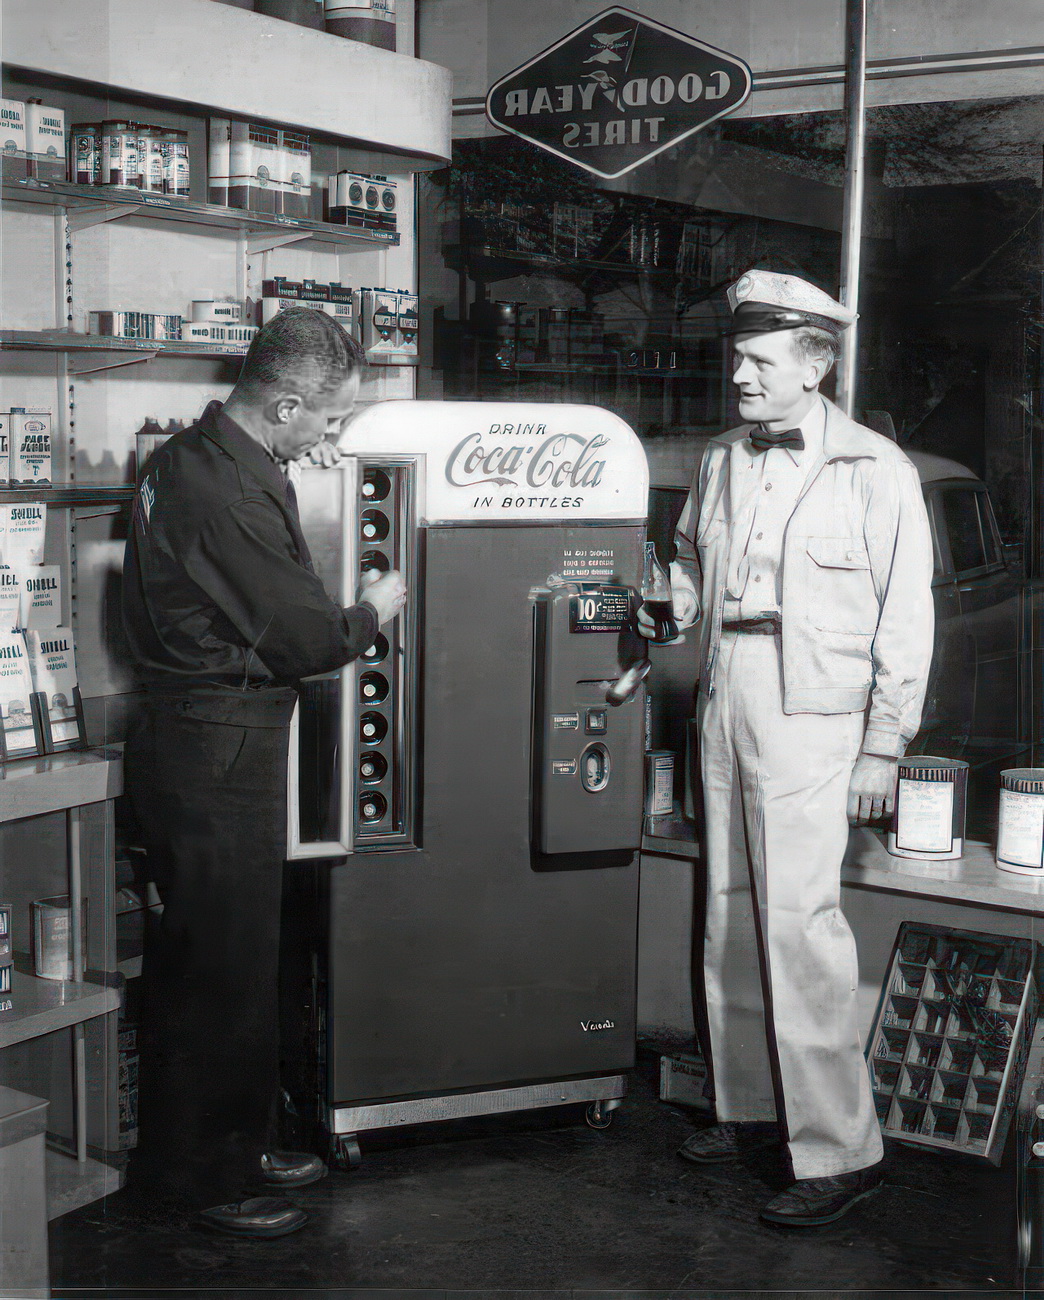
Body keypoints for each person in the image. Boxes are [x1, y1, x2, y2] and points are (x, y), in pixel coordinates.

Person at [641, 269, 934, 1227]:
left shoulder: (876, 469)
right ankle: (749, 1110)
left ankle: (842, 1149)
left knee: (800, 925)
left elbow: (907, 620)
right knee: (727, 909)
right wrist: (676, 600)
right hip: (726, 684)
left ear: (816, 366)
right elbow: (691, 556)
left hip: (815, 709)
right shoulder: (723, 457)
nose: (740, 377)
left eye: (760, 361)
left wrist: (883, 745)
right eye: (738, 358)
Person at [122, 308, 406, 1239]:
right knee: (220, 970)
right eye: (328, 417)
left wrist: (293, 467)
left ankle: (238, 1145)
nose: (332, 435)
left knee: (227, 960)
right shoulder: (230, 494)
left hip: (202, 738)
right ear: (285, 404)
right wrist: (374, 608)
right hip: (219, 745)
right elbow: (306, 640)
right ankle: (207, 1180)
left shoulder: (192, 458)